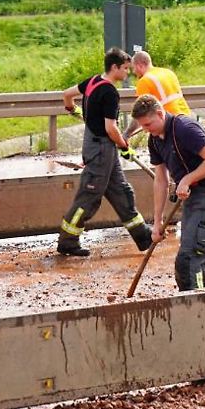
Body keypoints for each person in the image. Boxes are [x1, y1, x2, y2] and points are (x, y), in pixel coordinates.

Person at [56, 48, 152, 257]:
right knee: (89, 197)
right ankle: (67, 242)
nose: (127, 73)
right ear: (114, 67)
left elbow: (67, 95)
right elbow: (111, 128)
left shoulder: (91, 82)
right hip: (101, 149)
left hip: (97, 145)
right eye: (125, 69)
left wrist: (73, 110)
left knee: (121, 191)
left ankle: (143, 236)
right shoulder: (109, 92)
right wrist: (125, 146)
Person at [133, 94, 205, 291]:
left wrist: (187, 179)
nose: (145, 129)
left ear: (160, 114)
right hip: (192, 199)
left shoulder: (185, 129)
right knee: (194, 257)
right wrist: (157, 222)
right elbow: (160, 180)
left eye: (148, 124)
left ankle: (197, 304)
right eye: (142, 126)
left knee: (190, 258)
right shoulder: (154, 140)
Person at [123, 51, 191, 140]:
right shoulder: (168, 72)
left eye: (134, 68)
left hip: (168, 126)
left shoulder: (144, 81)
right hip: (186, 119)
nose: (134, 72)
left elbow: (140, 112)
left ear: (140, 65)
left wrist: (126, 134)